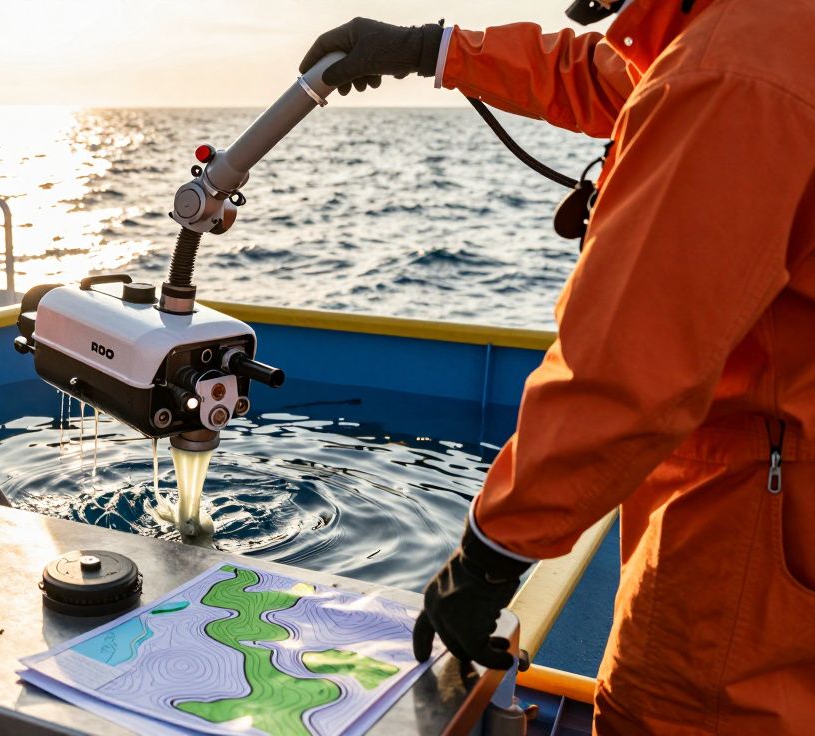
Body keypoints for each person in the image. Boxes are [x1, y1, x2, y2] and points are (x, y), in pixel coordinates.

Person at [302, 0, 815, 733]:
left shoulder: (731, 72)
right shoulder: (751, 32)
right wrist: (433, 48)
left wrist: (488, 554)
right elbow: (611, 76)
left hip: (751, 541)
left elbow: (627, 371)